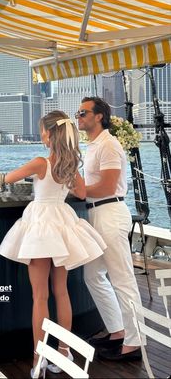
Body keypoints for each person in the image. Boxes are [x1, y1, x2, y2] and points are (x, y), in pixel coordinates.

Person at [0, 110, 106, 377]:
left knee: (40, 297)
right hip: (62, 224)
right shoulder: (70, 165)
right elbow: (80, 192)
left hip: (40, 227)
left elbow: (7, 178)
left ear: (48, 134)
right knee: (62, 293)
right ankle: (63, 353)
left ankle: (39, 360)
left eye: (42, 131)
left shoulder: (39, 162)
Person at [76, 97, 143, 361]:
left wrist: (77, 189)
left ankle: (135, 342)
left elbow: (106, 186)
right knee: (92, 275)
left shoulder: (110, 146)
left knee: (122, 278)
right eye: (78, 112)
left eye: (83, 112)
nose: (78, 116)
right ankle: (117, 331)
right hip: (95, 215)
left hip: (110, 212)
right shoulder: (93, 146)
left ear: (99, 116)